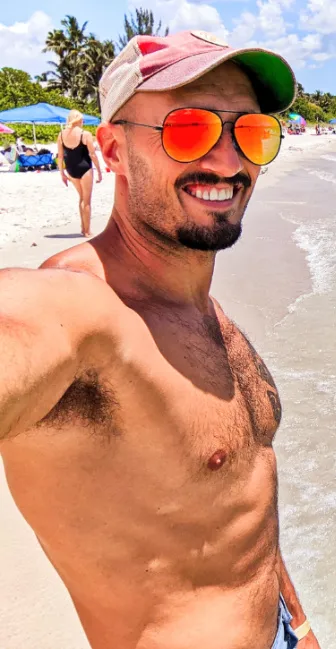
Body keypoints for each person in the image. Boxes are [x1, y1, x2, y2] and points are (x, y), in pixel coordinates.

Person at [0, 31, 318, 649]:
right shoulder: (80, 315)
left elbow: (241, 502)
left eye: (249, 132)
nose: (228, 162)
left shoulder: (208, 314)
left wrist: (299, 626)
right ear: (112, 151)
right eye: (189, 129)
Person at [57, 109, 103, 236]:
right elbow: (92, 154)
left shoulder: (61, 135)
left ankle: (83, 227)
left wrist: (62, 174)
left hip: (70, 169)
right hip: (84, 168)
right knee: (87, 200)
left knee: (81, 198)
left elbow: (60, 156)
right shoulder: (85, 134)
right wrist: (99, 171)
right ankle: (87, 231)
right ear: (79, 120)